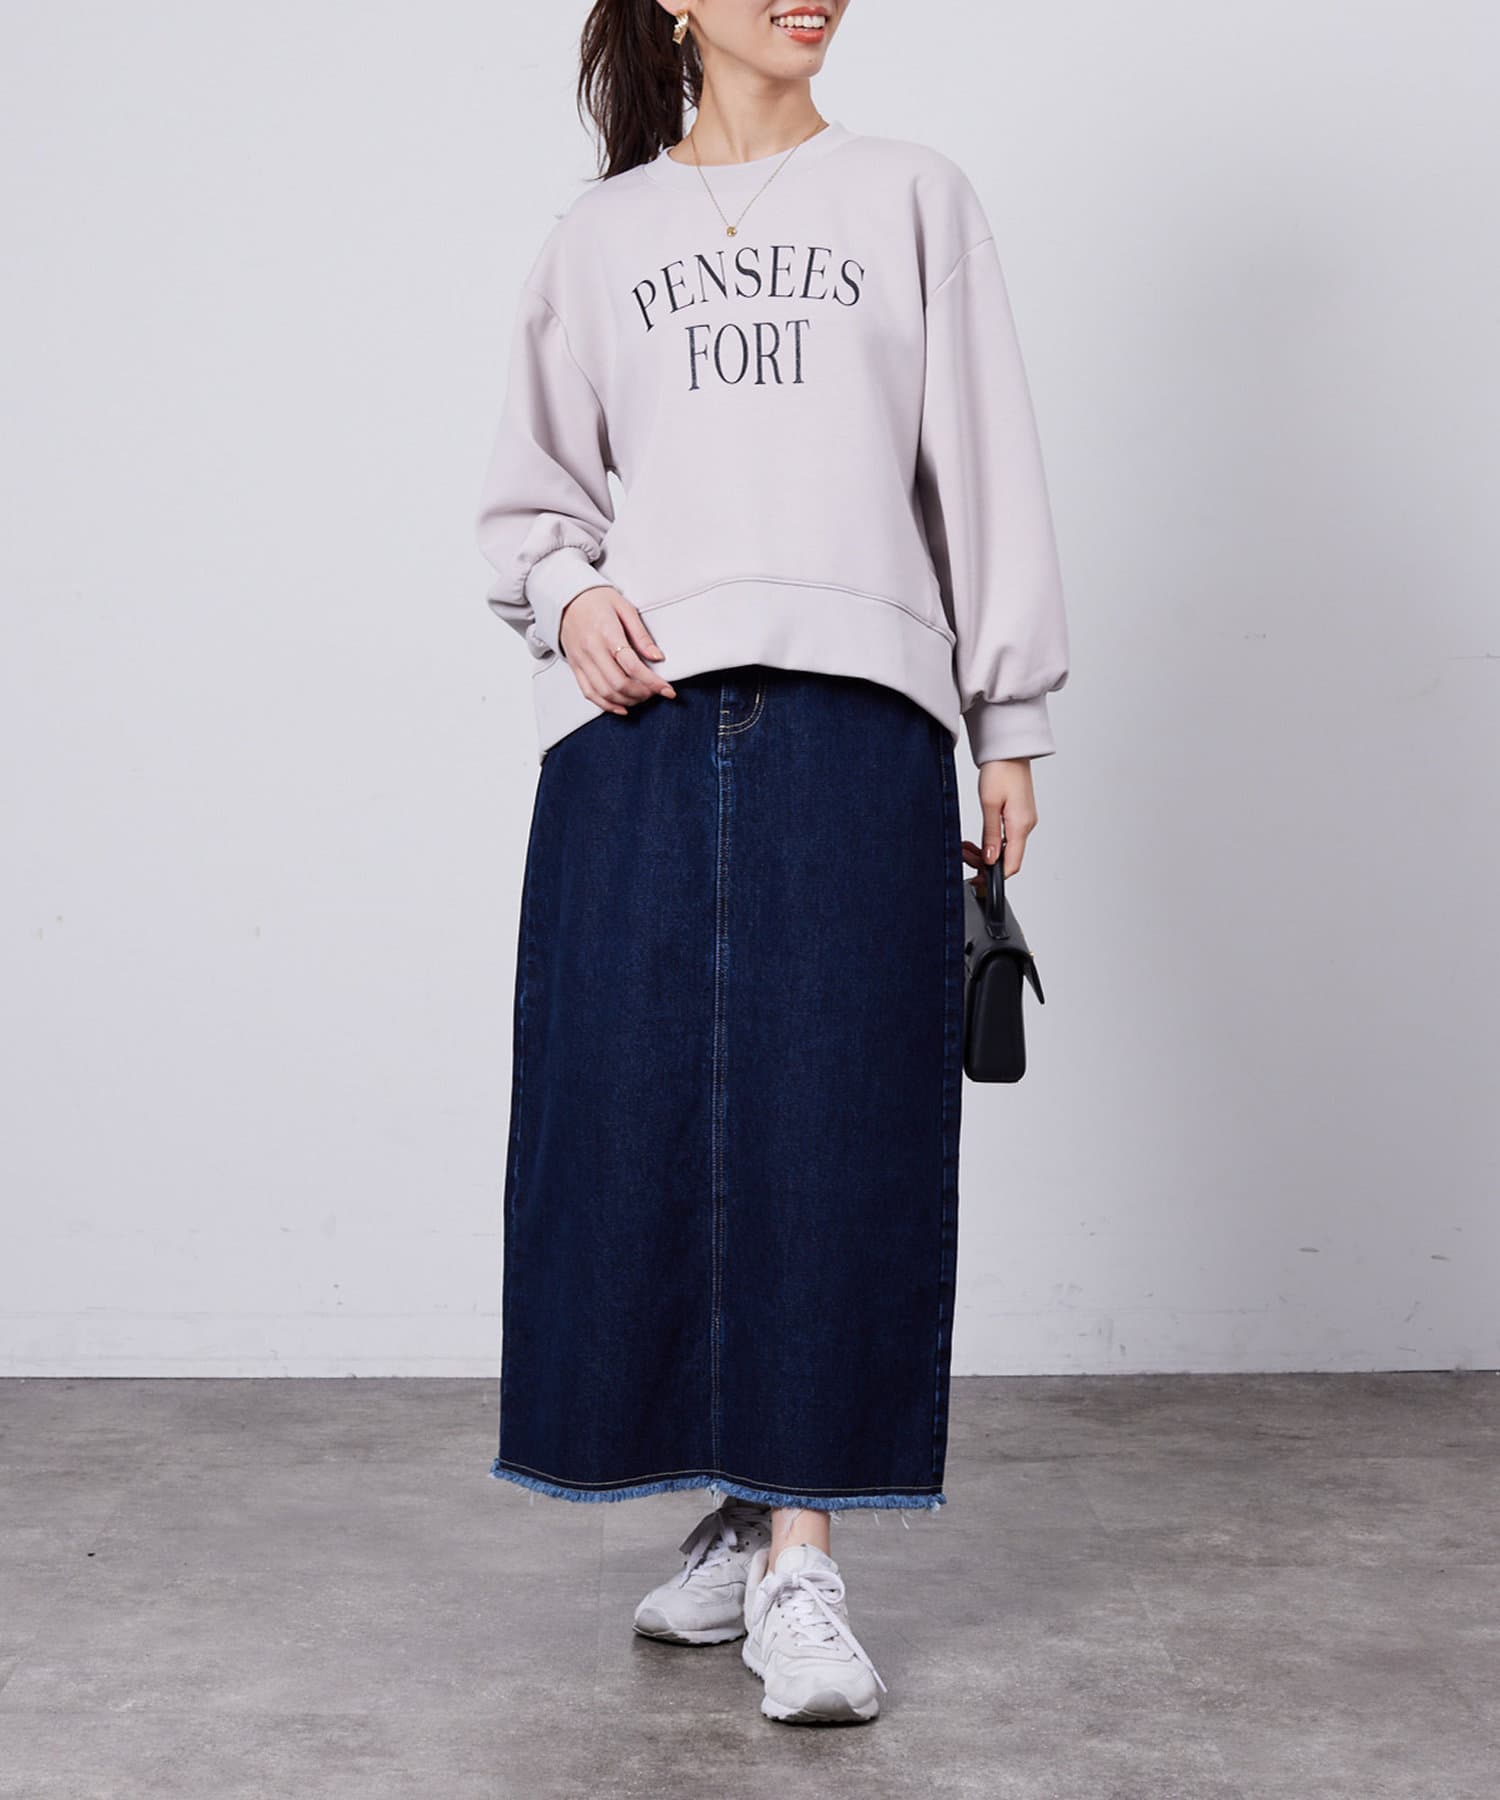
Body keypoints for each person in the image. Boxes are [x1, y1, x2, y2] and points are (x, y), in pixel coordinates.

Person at [473, 0, 1070, 1727]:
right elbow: (531, 496)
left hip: (858, 714)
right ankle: (739, 1516)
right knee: (636, 1115)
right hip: (639, 724)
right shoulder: (601, 235)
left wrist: (1009, 716)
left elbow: (984, 462)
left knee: (836, 1115)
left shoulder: (911, 194)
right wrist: (568, 592)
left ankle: (803, 1557)